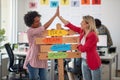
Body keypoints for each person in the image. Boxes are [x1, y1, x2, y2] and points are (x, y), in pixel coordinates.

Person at [57, 7, 101, 80]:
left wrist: (78, 43)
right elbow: (71, 26)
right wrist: (60, 17)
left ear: (87, 24)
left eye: (82, 22)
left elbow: (83, 49)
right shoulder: (82, 31)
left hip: (93, 61)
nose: (80, 23)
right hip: (84, 60)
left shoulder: (92, 35)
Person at [23, 7, 58, 80]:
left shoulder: (41, 32)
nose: (39, 22)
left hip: (43, 60)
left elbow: (46, 44)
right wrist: (55, 16)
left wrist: (54, 38)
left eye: (39, 20)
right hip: (33, 60)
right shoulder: (30, 31)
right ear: (31, 24)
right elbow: (44, 27)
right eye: (36, 21)